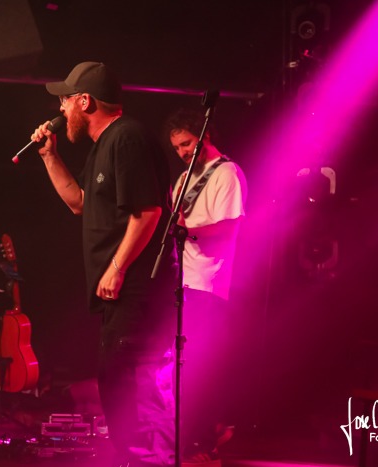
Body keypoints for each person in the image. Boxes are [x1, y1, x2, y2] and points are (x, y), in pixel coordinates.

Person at [30, 61, 178, 466]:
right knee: (118, 384)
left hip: (137, 289)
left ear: (85, 101)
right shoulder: (104, 145)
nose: (61, 109)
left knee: (136, 385)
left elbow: (148, 212)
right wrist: (49, 156)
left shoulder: (127, 138)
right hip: (120, 292)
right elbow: (79, 202)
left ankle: (155, 460)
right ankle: (139, 458)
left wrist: (117, 268)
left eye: (65, 100)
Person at [163, 108, 247, 462]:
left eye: (187, 143)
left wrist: (187, 231)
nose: (182, 152)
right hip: (181, 282)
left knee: (200, 366)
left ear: (205, 136)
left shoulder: (228, 173)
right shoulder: (183, 179)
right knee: (179, 368)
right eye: (177, 147)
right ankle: (188, 438)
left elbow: (229, 228)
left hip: (208, 284)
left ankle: (207, 438)